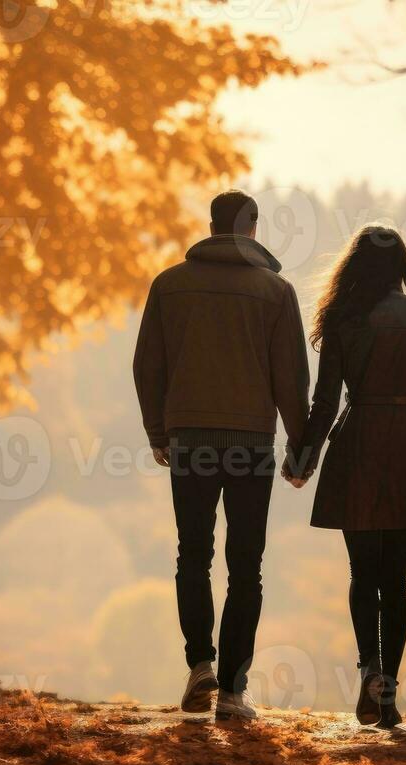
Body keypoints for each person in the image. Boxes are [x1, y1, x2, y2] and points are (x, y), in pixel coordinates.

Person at [133, 190, 310, 722]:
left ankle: (199, 666)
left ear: (210, 225)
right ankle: (233, 692)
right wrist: (300, 449)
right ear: (253, 229)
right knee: (246, 567)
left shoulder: (169, 285)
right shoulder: (276, 291)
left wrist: (158, 431)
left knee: (193, 555)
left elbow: (147, 366)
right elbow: (292, 380)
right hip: (251, 445)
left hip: (189, 441)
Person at [287, 225, 406, 729]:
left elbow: (323, 403)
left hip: (359, 444)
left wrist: (304, 459)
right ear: (401, 265)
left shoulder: (343, 320)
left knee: (362, 574)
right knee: (397, 580)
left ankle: (368, 665)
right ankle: (386, 691)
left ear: (356, 266)